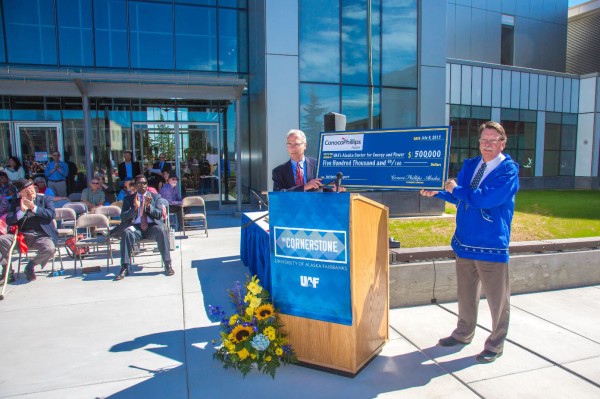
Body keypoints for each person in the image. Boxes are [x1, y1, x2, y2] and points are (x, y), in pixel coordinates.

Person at [420, 121, 520, 364]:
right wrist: (439, 193)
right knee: (465, 294)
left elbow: (484, 199)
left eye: (492, 140)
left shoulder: (508, 171)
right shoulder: (471, 165)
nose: (487, 144)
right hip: (464, 241)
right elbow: (461, 197)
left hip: (491, 244)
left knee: (498, 300)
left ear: (502, 143)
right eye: (483, 140)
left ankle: (495, 344)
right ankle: (463, 333)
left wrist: (454, 190)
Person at [115, 174, 173, 281]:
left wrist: (148, 206)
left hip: (151, 227)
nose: (143, 185)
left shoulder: (155, 197)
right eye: (140, 183)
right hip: (136, 228)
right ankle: (124, 266)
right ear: (135, 185)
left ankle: (167, 264)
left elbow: (159, 215)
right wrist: (135, 207)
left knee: (161, 230)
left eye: (145, 183)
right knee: (126, 233)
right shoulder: (129, 199)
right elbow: (123, 217)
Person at [0, 179, 58, 283]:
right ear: (21, 193)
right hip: (21, 236)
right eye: (26, 190)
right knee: (2, 240)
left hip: (41, 235)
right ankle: (7, 271)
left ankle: (31, 265)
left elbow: (51, 214)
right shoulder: (16, 203)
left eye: (31, 189)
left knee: (50, 249)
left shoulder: (45, 199)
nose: (30, 191)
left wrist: (34, 208)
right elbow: (9, 220)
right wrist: (22, 210)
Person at [272, 129, 344, 192]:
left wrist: (334, 190)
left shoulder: (318, 165)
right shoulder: (278, 172)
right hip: (291, 207)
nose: (292, 148)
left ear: (305, 145)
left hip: (315, 206)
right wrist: (304, 187)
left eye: (296, 144)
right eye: (289, 144)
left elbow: (326, 190)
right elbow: (278, 195)